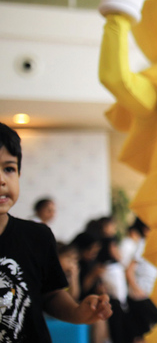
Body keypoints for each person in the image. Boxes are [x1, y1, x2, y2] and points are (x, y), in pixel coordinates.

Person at [0, 122, 112, 341]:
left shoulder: (37, 236)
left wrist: (77, 312)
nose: (2, 180)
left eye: (9, 169)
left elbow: (50, 295)